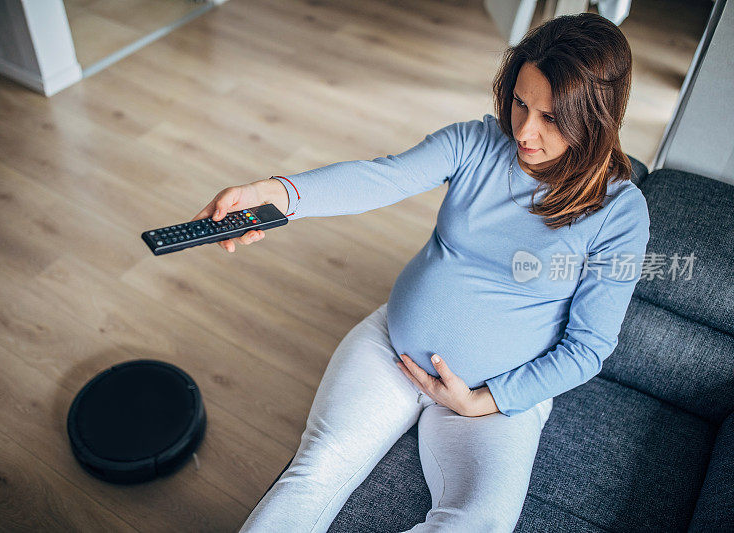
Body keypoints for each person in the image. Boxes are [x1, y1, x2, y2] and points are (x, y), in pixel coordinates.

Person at [194, 12, 650, 533]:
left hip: (494, 397)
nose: (524, 130)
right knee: (316, 471)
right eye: (521, 103)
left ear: (595, 118)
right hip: (393, 348)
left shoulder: (620, 213)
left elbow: (588, 347)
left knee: (481, 522)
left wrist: (484, 401)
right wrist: (269, 195)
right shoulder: (476, 143)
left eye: (551, 118)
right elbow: (378, 179)